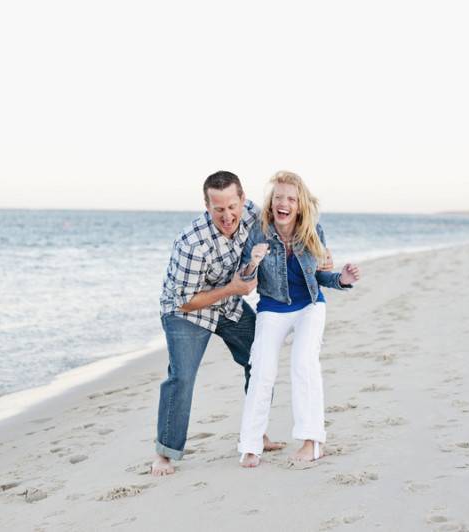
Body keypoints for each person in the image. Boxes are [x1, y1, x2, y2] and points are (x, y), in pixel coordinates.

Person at [152, 171, 333, 476]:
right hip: (188, 311)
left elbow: (296, 225)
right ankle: (165, 454)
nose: (227, 215)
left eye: (232, 207)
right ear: (207, 206)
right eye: (218, 209)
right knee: (181, 377)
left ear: (243, 200)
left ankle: (257, 435)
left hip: (229, 305)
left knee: (259, 358)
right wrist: (233, 289)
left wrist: (324, 259)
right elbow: (184, 300)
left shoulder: (254, 214)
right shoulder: (191, 243)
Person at [238, 171, 360, 467]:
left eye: (290, 199)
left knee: (303, 363)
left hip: (309, 305)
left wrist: (341, 280)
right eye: (278, 197)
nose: (283, 203)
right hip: (272, 305)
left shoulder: (312, 230)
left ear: (300, 204)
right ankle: (250, 446)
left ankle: (313, 442)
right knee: (262, 369)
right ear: (271, 202)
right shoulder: (259, 230)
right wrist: (253, 262)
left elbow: (319, 274)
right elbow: (244, 278)